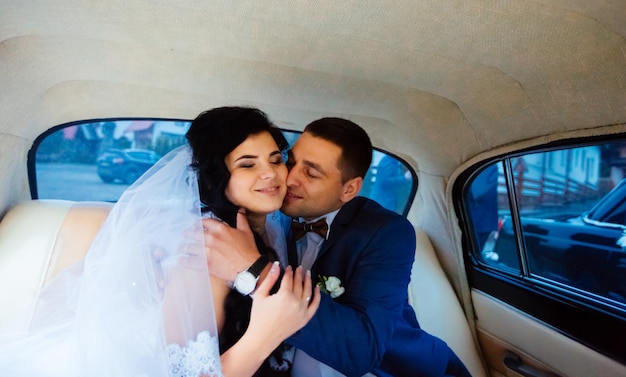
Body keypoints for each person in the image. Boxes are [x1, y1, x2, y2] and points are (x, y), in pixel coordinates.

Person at [0, 106, 319, 377]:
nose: (270, 174)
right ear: (216, 176)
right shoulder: (200, 250)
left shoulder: (274, 228)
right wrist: (268, 332)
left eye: (276, 160)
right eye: (247, 164)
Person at [202, 117, 472, 377]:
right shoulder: (266, 215)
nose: (289, 178)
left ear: (349, 189)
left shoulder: (386, 232)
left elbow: (361, 352)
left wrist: (254, 270)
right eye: (290, 162)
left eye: (311, 172)